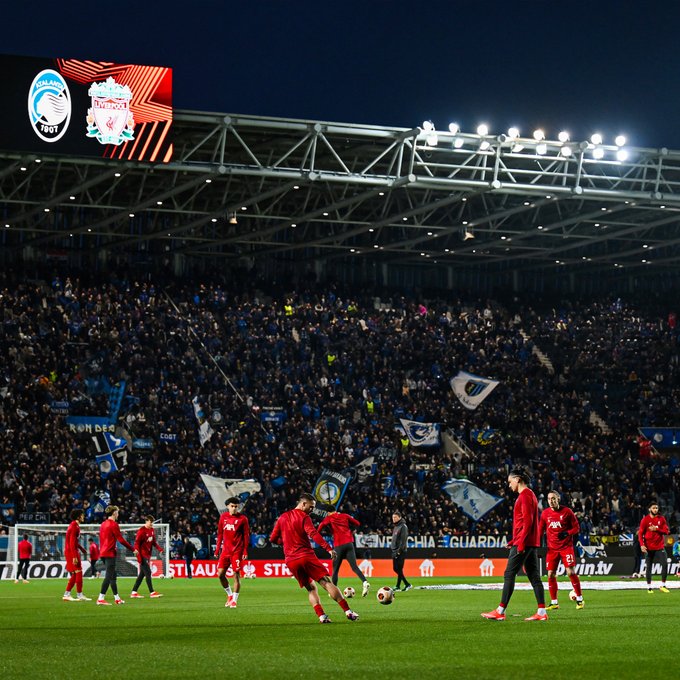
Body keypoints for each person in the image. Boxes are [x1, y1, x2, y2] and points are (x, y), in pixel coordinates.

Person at [269, 492, 359, 623]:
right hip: (305, 555)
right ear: (303, 503)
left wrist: (287, 542)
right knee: (326, 582)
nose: (312, 510)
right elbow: (313, 533)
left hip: (291, 560)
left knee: (310, 588)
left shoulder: (282, 517)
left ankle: (322, 616)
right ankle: (348, 612)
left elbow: (272, 538)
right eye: (311, 507)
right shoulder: (304, 517)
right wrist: (328, 548)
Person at [482, 467, 548, 621]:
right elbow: (529, 522)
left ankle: (500, 611)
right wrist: (513, 540)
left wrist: (520, 543)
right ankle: (542, 612)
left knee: (509, 574)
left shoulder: (524, 496)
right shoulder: (530, 495)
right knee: (534, 576)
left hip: (524, 542)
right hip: (531, 542)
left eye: (510, 481)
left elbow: (527, 521)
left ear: (517, 479)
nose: (509, 485)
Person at [539, 490, 584, 609]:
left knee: (571, 572)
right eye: (549, 499)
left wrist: (567, 533)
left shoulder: (567, 512)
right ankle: (554, 602)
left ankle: (580, 599)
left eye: (553, 498)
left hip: (566, 547)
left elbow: (576, 528)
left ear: (558, 499)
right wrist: (537, 545)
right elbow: (540, 530)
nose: (551, 501)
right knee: (550, 574)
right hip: (552, 549)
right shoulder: (545, 514)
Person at [318, 509, 370, 596]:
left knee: (335, 570)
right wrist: (350, 529)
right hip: (349, 543)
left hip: (339, 545)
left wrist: (321, 531)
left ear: (328, 512)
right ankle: (365, 582)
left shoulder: (329, 518)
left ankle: (333, 591)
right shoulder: (345, 515)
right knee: (354, 567)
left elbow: (321, 526)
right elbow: (357, 523)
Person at [97, 505, 137, 605]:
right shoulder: (114, 524)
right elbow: (121, 540)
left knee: (112, 576)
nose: (118, 514)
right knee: (109, 576)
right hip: (110, 553)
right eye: (117, 512)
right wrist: (133, 549)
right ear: (114, 513)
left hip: (102, 552)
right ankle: (101, 598)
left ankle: (117, 598)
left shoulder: (103, 524)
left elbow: (107, 536)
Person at [215, 497, 250, 608]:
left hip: (237, 551)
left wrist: (244, 550)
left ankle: (234, 600)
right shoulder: (223, 517)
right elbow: (220, 534)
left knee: (236, 575)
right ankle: (229, 595)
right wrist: (217, 549)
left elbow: (246, 535)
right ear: (227, 506)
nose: (234, 508)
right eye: (232, 506)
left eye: (236, 506)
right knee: (220, 574)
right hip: (225, 551)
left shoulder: (243, 519)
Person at [639, 501, 670, 593]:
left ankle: (663, 585)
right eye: (653, 508)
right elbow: (640, 534)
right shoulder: (645, 520)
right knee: (649, 567)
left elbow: (667, 532)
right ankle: (649, 587)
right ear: (649, 509)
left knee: (665, 564)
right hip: (649, 548)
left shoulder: (662, 519)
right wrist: (642, 545)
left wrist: (657, 529)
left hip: (659, 547)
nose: (655, 509)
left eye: (656, 508)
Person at [131, 515, 164, 599]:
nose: (151, 524)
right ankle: (152, 592)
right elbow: (137, 543)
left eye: (152, 522)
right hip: (142, 555)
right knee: (148, 573)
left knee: (142, 575)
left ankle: (134, 592)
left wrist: (160, 549)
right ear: (146, 521)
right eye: (150, 522)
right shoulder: (141, 531)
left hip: (147, 555)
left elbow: (153, 542)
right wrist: (138, 555)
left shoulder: (152, 530)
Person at [63, 510, 91, 602]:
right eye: (82, 515)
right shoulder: (74, 526)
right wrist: (74, 556)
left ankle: (67, 594)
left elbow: (74, 541)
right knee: (78, 572)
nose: (84, 517)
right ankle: (79, 594)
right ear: (78, 517)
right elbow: (71, 542)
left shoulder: (73, 525)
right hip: (72, 552)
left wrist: (82, 549)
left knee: (75, 573)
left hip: (71, 551)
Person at [391, 511, 411, 591]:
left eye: (395, 517)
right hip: (394, 550)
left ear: (399, 517)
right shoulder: (396, 526)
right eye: (393, 517)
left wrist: (399, 551)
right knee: (396, 569)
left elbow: (403, 540)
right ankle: (400, 585)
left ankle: (406, 584)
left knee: (398, 569)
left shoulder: (403, 526)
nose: (393, 519)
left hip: (400, 551)